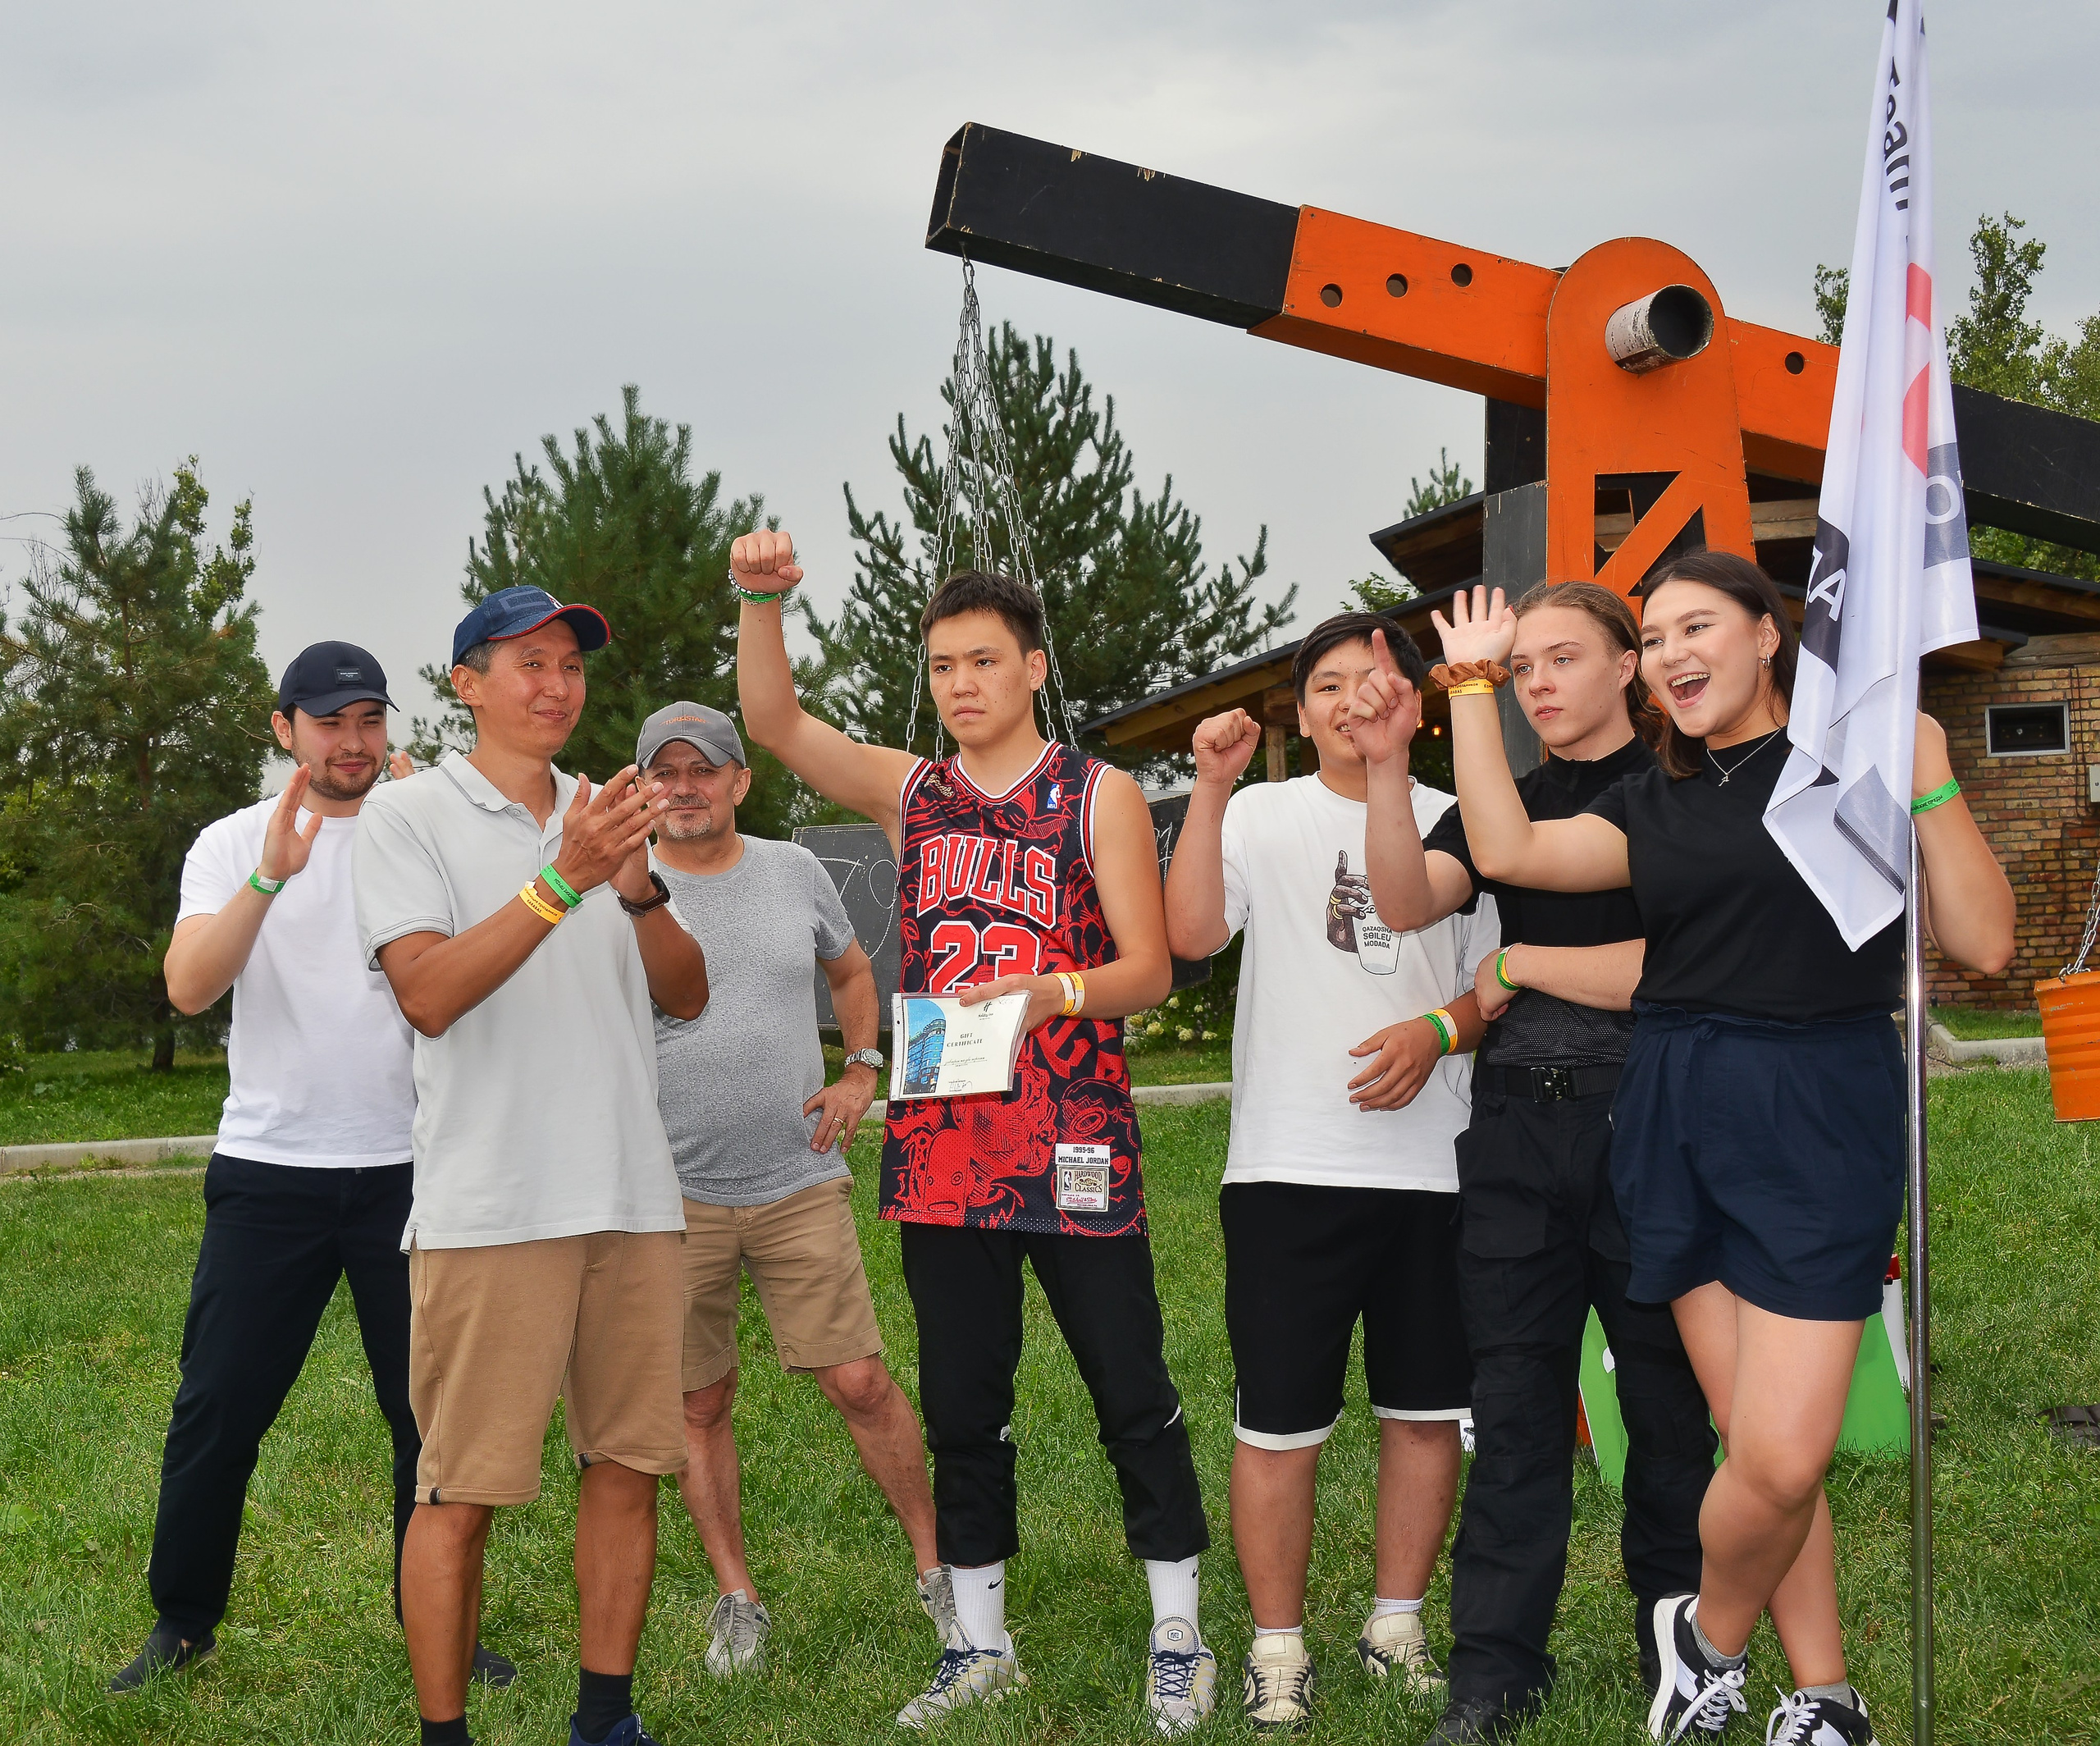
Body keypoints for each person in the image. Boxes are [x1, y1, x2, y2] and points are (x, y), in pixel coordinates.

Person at [1364, 557, 2014, 1746]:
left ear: (1768, 636)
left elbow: (1983, 940)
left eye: (1694, 626)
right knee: (1753, 1437)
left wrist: (1927, 774)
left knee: (1781, 1455)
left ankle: (1703, 1636)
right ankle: (1824, 1695)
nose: (1670, 654)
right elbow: (1506, 849)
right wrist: (1470, 688)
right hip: (1675, 1113)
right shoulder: (1652, 801)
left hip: (1822, 1110)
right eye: (1657, 636)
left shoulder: (1854, 768)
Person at [733, 530, 1217, 1735]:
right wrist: (758, 600)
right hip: (945, 1155)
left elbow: (1150, 969)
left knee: (1131, 1389)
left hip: (1073, 1139)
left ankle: (1179, 1631)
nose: (960, 683)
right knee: (963, 1404)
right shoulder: (914, 791)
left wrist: (1053, 991)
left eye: (984, 660)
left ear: (1033, 667)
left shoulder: (1095, 794)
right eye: (943, 664)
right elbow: (776, 724)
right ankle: (981, 1644)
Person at [1351, 584, 1718, 1745]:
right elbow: (1406, 900)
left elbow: (1682, 967)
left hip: (1647, 1128)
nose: (1541, 683)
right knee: (1513, 1411)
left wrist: (1521, 970)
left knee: (1667, 1412)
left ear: (1628, 666)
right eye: (1521, 669)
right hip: (1515, 1135)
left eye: (1565, 657)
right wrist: (1384, 768)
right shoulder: (1505, 799)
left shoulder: (1679, 794)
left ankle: (1685, 1661)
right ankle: (1493, 1676)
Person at [112, 644, 513, 1695]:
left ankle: (442, 1627)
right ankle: (183, 1623)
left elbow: (489, 968)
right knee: (218, 1408)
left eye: (370, 718)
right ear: (284, 728)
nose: (353, 741)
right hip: (270, 1170)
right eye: (330, 721)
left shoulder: (424, 832)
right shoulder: (233, 842)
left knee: (429, 1423)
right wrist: (270, 876)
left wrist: (445, 832)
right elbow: (189, 988)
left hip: (414, 1170)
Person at [354, 586, 710, 1746]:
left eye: (571, 664)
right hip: (493, 1205)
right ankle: (445, 1733)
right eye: (529, 663)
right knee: (460, 1493)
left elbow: (685, 993)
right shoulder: (408, 815)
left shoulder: (606, 811)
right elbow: (428, 994)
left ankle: (605, 1719)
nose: (557, 685)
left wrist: (634, 881)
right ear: (466, 685)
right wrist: (562, 878)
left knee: (628, 1467)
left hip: (631, 1197)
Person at [1163, 611, 1495, 1733]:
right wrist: (1211, 788)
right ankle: (1278, 1646)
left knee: (1425, 1412)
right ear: (1301, 715)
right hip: (1287, 1165)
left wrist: (1436, 1033)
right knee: (1279, 1421)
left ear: (1413, 701)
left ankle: (1397, 1624)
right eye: (1329, 684)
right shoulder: (1261, 813)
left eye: (1376, 678)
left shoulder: (1460, 816)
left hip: (1432, 1168)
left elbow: (1497, 983)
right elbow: (1192, 935)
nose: (1354, 699)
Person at [635, 700, 945, 1675]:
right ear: (642, 788)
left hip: (796, 1173)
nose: (684, 787)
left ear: (739, 780)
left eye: (703, 768)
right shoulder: (615, 888)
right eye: (663, 771)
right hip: (667, 1192)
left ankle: (941, 1571)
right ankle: (738, 1597)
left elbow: (851, 971)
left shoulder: (794, 869)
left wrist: (861, 1068)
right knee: (697, 1401)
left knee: (858, 1379)